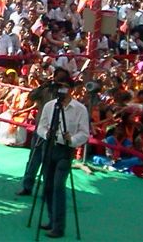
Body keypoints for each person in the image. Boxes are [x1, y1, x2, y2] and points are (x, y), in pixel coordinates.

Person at [36, 79, 89, 239]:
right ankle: (52, 219)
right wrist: (46, 134)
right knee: (48, 186)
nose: (62, 90)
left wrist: (71, 139)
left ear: (71, 90)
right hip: (49, 147)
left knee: (58, 186)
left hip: (65, 150)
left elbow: (84, 134)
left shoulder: (80, 109)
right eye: (60, 87)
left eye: (65, 87)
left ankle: (59, 226)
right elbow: (41, 126)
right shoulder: (50, 106)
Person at [17, 67, 72, 196]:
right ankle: (27, 186)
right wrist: (43, 86)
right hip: (41, 130)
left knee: (50, 163)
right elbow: (31, 96)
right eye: (58, 78)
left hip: (57, 133)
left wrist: (64, 89)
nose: (59, 81)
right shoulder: (45, 90)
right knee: (33, 160)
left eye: (62, 79)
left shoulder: (66, 93)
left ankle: (48, 190)